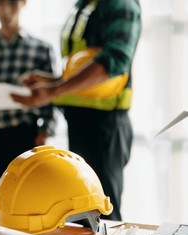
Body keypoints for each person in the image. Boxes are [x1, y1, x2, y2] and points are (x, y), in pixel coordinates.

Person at [11, 0, 141, 221]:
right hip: (80, 122)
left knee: (104, 213)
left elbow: (115, 60)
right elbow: (84, 65)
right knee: (84, 212)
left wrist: (54, 89)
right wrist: (54, 81)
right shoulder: (83, 5)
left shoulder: (121, 4)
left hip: (105, 125)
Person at [0, 0, 58, 206]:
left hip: (25, 138)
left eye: (12, 3)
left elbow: (51, 98)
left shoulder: (42, 49)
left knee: (27, 205)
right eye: (0, 3)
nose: (6, 10)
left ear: (23, 3)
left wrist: (45, 132)